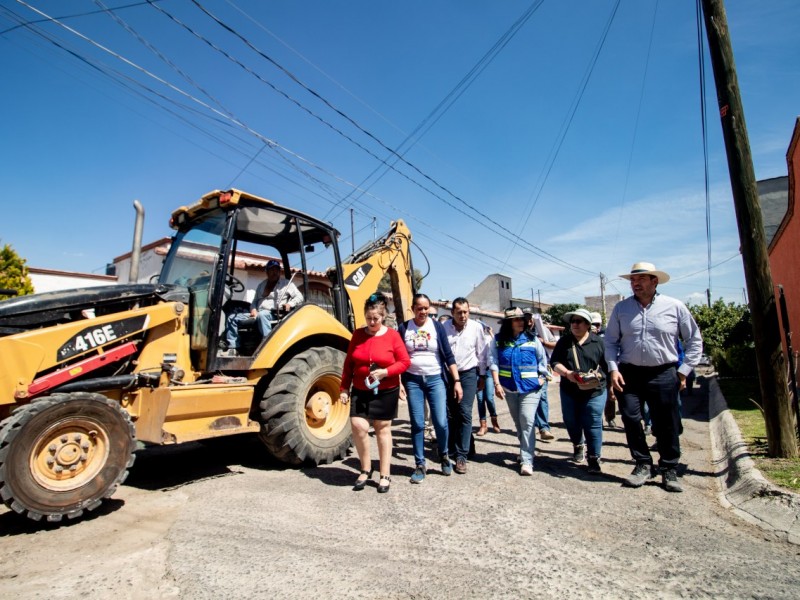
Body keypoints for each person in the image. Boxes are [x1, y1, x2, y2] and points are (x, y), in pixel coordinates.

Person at [605, 262, 702, 493]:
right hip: (629, 373)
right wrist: (613, 369)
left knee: (666, 422)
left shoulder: (675, 307)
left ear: (654, 281)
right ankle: (642, 464)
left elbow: (695, 340)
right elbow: (610, 342)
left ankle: (669, 468)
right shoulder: (621, 309)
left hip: (664, 372)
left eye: (640, 279)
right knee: (629, 418)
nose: (635, 283)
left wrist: (683, 371)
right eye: (632, 280)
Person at [340, 292, 410, 494]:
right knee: (358, 425)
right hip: (360, 390)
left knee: (382, 429)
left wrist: (386, 372)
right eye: (369, 318)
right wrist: (344, 387)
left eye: (376, 319)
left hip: (386, 390)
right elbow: (349, 364)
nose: (372, 322)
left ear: (383, 317)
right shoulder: (358, 334)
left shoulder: (392, 335)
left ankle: (384, 474)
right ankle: (365, 468)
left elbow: (405, 362)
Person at [398, 293, 462, 484]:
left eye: (426, 308)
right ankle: (420, 463)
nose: (423, 312)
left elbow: (449, 356)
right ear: (413, 308)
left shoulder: (436, 327)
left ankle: (443, 455)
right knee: (417, 423)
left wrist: (456, 381)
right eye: (419, 308)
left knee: (441, 422)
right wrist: (399, 382)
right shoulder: (403, 328)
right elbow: (397, 357)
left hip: (436, 379)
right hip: (413, 381)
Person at [550, 308, 609, 473]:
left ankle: (594, 458)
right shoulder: (564, 342)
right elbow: (554, 362)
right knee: (571, 421)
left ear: (588, 325)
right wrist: (567, 373)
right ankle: (578, 444)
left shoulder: (599, 343)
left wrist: (605, 384)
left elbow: (608, 366)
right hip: (570, 390)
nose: (574, 324)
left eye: (579, 321)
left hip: (595, 390)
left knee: (593, 421)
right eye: (572, 321)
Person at [492, 307, 548, 476]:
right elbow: (493, 361)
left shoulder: (533, 339)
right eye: (517, 319)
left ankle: (526, 460)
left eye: (522, 319)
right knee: (519, 423)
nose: (521, 322)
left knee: (527, 420)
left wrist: (542, 377)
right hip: (509, 388)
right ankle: (526, 449)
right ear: (509, 323)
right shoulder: (498, 340)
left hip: (531, 388)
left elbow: (542, 360)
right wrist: (497, 384)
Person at [442, 298, 490, 474]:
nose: (463, 315)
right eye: (459, 312)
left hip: (469, 373)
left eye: (466, 311)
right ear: (452, 312)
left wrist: (483, 375)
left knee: (464, 411)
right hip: (448, 375)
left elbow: (482, 352)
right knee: (450, 413)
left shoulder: (476, 328)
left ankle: (462, 455)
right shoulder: (444, 327)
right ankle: (460, 446)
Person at [224, 259, 303, 356]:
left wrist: (290, 304)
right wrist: (253, 309)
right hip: (258, 313)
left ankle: (268, 345)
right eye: (272, 270)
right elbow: (254, 302)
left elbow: (300, 297)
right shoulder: (261, 285)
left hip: (274, 313)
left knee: (262, 315)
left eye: (277, 270)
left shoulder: (286, 284)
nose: (275, 272)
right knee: (232, 318)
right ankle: (234, 347)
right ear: (267, 272)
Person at [524, 310, 555, 442]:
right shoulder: (520, 332)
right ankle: (531, 426)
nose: (528, 321)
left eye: (530, 318)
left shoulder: (543, 330)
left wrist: (543, 342)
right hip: (526, 370)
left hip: (541, 368)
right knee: (529, 399)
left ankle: (543, 428)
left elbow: (554, 344)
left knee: (542, 397)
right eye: (525, 318)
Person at [476, 324, 501, 436]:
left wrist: (491, 332)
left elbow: (498, 345)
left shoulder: (489, 338)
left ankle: (494, 420)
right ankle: (483, 425)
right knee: (480, 399)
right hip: (477, 371)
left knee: (489, 397)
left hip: (489, 371)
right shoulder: (474, 338)